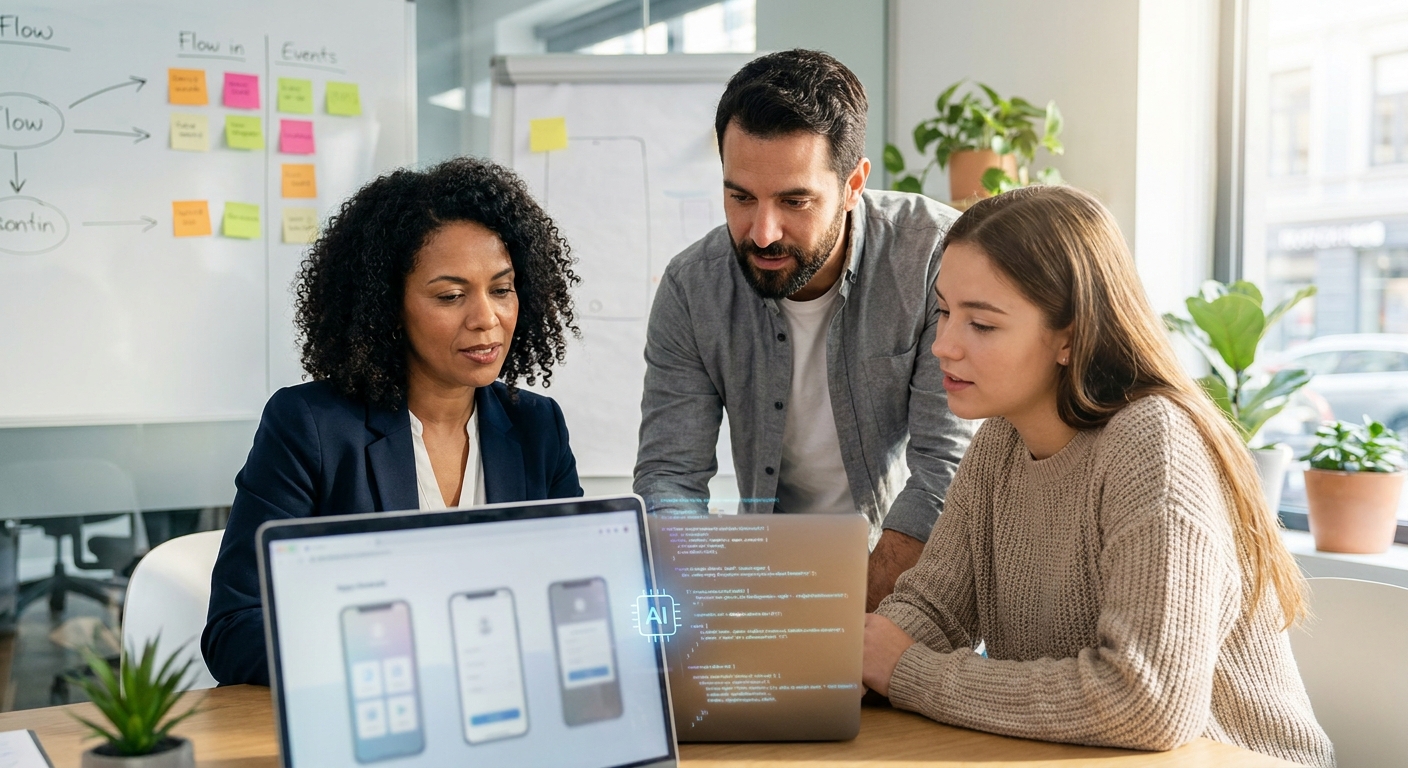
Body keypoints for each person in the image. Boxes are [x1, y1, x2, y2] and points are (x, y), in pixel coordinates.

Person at [862, 186, 1333, 767]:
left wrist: (909, 672)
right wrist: (853, 663)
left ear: (1069, 335)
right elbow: (933, 610)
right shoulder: (999, 445)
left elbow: (1148, 701)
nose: (943, 345)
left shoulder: (1154, 448)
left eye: (981, 324)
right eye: (943, 311)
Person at [203, 157, 584, 686]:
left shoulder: (537, 427)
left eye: (501, 289)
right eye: (451, 296)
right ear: (387, 307)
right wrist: (398, 649)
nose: (486, 318)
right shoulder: (310, 428)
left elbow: (575, 596)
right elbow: (235, 630)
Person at [634, 50, 974, 611]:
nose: (763, 233)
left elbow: (946, 471)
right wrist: (703, 605)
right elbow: (670, 478)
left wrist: (838, 628)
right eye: (740, 197)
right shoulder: (692, 288)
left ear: (852, 184)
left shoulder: (935, 256)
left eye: (795, 201)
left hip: (916, 594)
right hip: (772, 591)